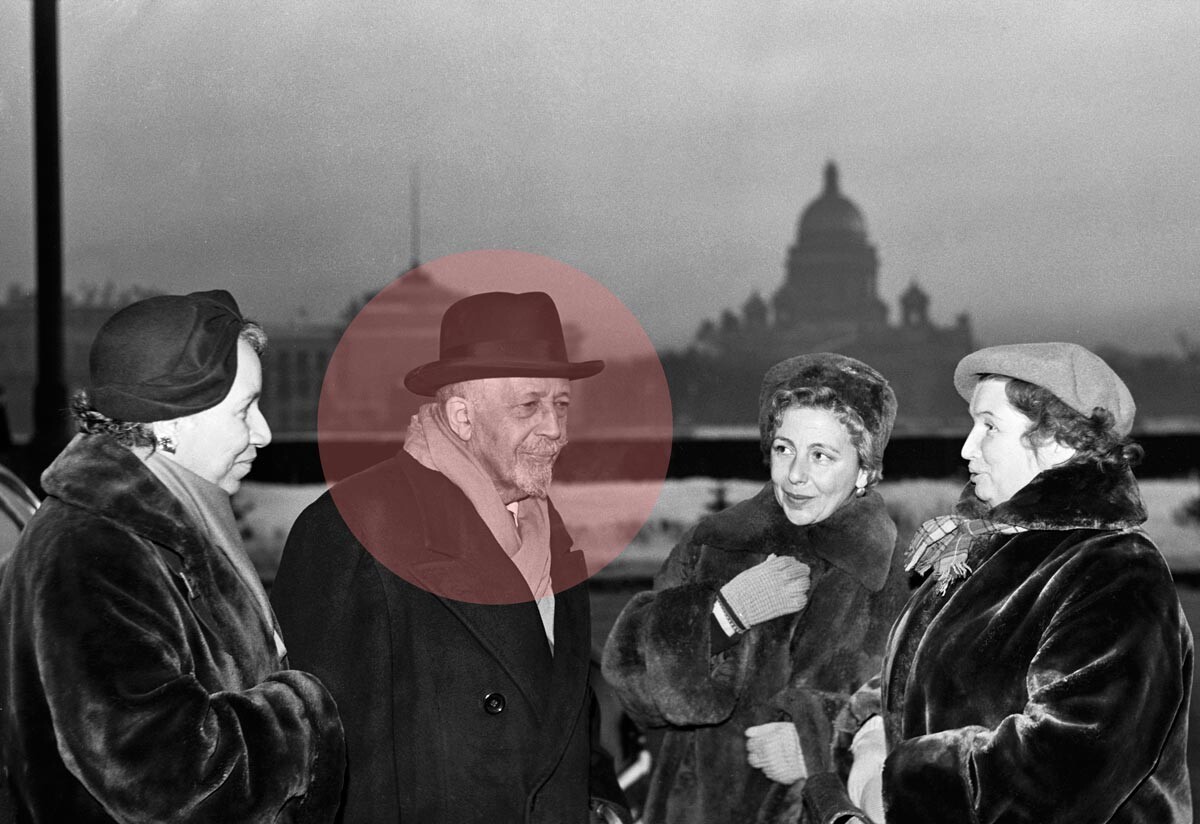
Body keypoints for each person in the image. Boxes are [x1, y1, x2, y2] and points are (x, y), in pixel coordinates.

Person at [270, 291, 630, 824]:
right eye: (529, 406)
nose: (555, 428)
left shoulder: (546, 527)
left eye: (561, 405)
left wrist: (598, 799)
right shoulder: (354, 527)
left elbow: (562, 710)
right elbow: (311, 759)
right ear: (462, 416)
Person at [807, 342, 1193, 823]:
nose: (967, 447)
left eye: (989, 426)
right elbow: (922, 672)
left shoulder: (1117, 570)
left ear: (1058, 440)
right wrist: (866, 727)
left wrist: (888, 787)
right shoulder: (986, 548)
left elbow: (1059, 770)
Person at [0, 290, 345, 823]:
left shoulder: (152, 527)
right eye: (246, 409)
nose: (265, 432)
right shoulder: (91, 550)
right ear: (172, 422)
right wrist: (307, 714)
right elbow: (161, 774)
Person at [600, 352, 909, 823]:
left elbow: (918, 723)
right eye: (784, 449)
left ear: (864, 469)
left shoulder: (893, 575)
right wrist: (723, 616)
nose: (796, 475)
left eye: (821, 455)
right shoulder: (717, 543)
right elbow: (631, 682)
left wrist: (821, 744)